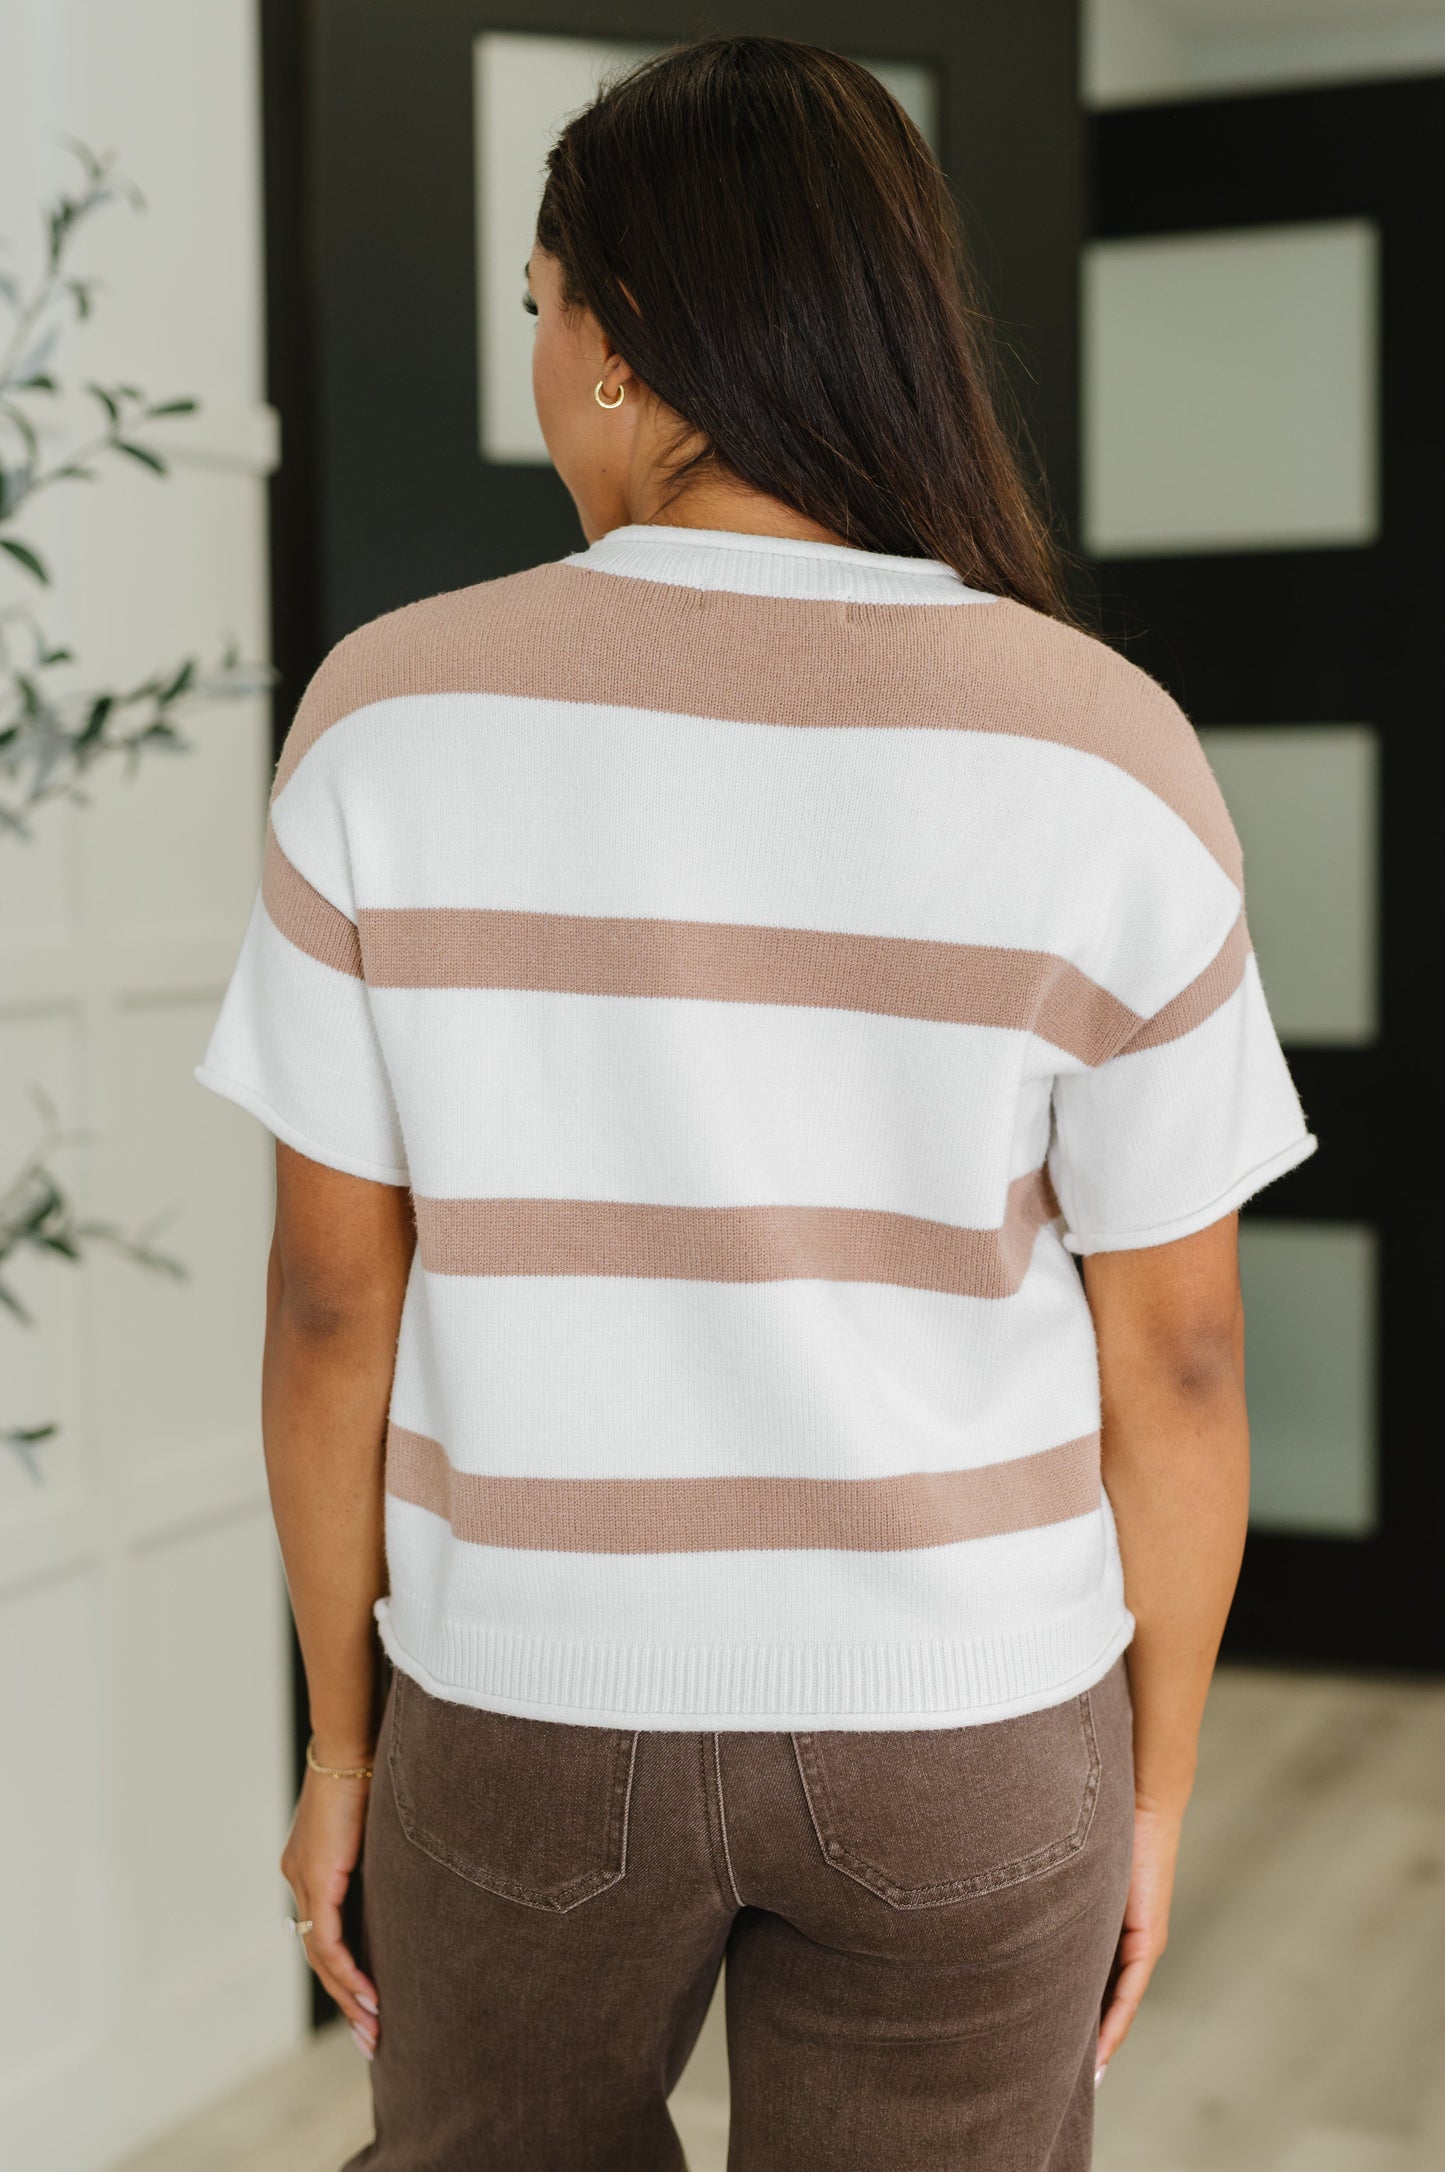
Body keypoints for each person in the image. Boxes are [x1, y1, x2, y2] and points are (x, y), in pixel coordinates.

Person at [196, 36, 1315, 2171]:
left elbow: (335, 1311)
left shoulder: (388, 717)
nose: (539, 356)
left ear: (626, 350)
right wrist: (1154, 1795)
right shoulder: (1110, 749)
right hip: (976, 1724)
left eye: (542, 303)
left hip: (528, 1708)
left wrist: (348, 1744)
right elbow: (1175, 1353)